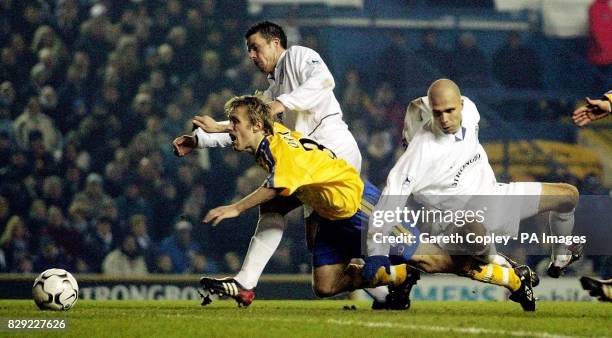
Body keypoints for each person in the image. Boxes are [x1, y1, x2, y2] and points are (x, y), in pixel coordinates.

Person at [197, 95, 537, 311]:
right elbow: (249, 129)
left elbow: (275, 188)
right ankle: (399, 276)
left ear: (256, 125)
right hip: (331, 214)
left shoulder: (280, 152)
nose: (234, 132)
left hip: (359, 206)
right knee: (326, 285)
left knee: (434, 261)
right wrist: (212, 131)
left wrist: (235, 207)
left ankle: (512, 279)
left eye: (236, 125)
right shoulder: (269, 135)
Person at [172, 21, 377, 304]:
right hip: (307, 164)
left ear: (275, 43)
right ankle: (388, 284)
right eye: (249, 51)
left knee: (277, 204)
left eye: (255, 48)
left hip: (333, 153)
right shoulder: (272, 90)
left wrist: (282, 104)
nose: (252, 56)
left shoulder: (298, 56)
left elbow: (324, 80)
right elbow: (247, 128)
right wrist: (201, 140)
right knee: (327, 246)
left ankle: (245, 283)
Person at [363, 79, 582, 290]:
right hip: (452, 222)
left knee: (568, 195)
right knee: (474, 227)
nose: (445, 119)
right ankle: (497, 260)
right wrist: (376, 252)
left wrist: (407, 129)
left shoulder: (471, 110)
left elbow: (417, 104)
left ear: (461, 104)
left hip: (496, 196)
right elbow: (389, 202)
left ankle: (561, 257)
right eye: (438, 113)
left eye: (450, 111)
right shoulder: (419, 152)